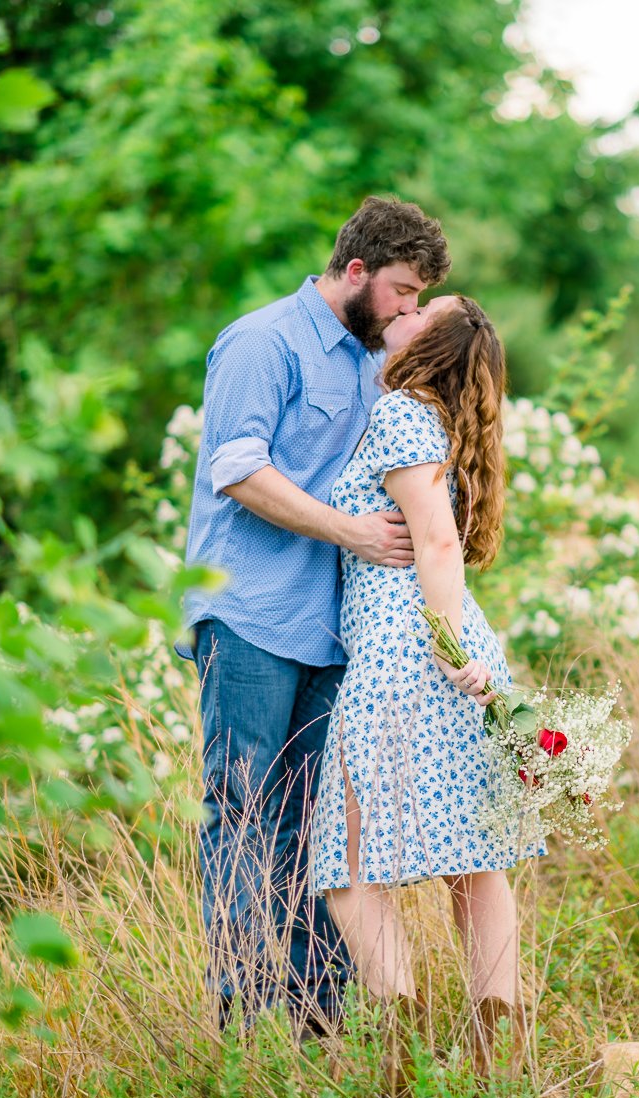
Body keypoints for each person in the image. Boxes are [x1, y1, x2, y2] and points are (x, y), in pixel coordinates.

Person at [176, 197, 451, 1036]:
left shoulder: (376, 364)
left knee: (322, 825)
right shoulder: (264, 341)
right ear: (357, 271)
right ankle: (250, 1023)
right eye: (403, 292)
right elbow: (236, 467)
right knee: (244, 810)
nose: (409, 311)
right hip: (252, 615)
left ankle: (318, 1022)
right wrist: (350, 532)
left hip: (336, 635)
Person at [310, 294, 546, 1074]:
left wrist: (446, 646)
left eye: (420, 311)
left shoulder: (406, 412)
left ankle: (400, 1051)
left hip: (408, 648)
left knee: (342, 857)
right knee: (474, 858)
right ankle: (494, 1060)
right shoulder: (441, 421)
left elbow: (438, 545)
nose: (401, 314)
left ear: (432, 343)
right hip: (442, 646)